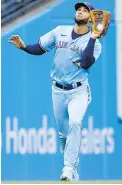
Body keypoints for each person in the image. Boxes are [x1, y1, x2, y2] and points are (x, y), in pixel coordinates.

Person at [8, 2, 102, 181]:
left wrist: (93, 38)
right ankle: (72, 168)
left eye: (85, 10)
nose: (80, 12)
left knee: (75, 121)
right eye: (79, 9)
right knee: (63, 134)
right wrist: (24, 47)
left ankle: (68, 168)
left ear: (91, 18)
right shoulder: (60, 30)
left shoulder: (95, 43)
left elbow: (87, 62)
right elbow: (40, 48)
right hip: (57, 89)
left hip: (78, 90)